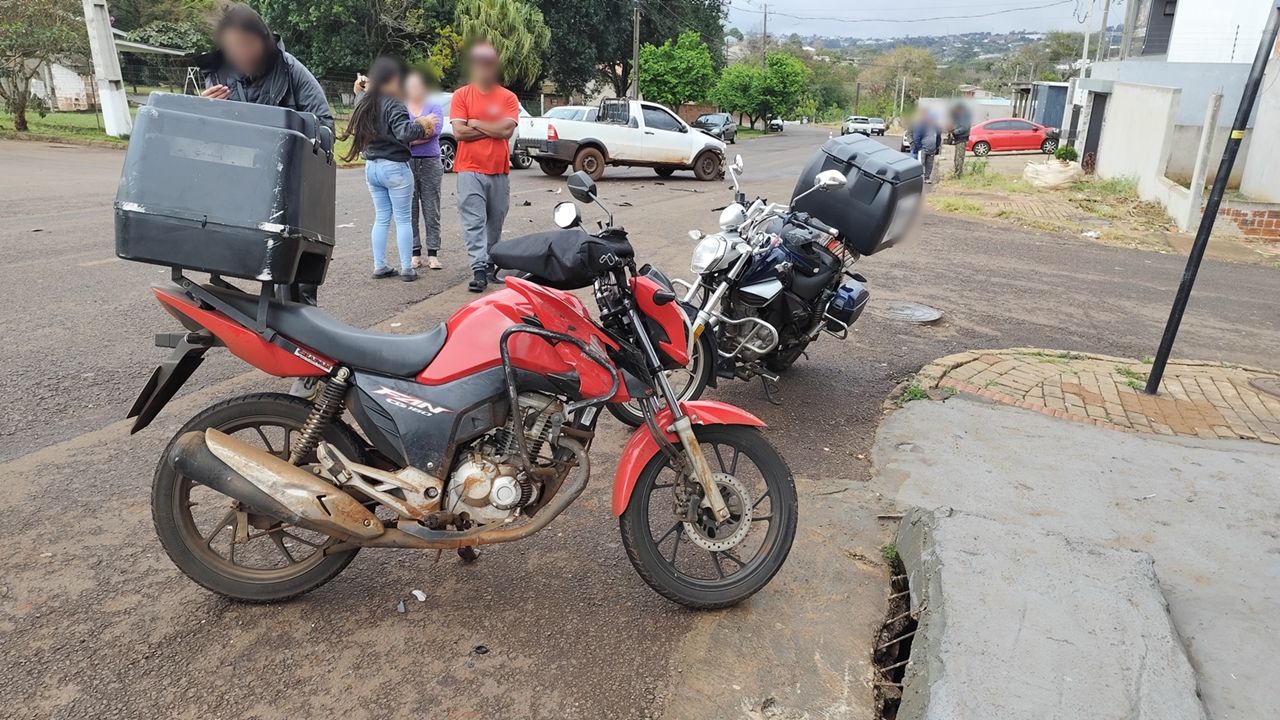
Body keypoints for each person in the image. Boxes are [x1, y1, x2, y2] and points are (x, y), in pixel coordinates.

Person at [195, 3, 333, 306]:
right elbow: (204, 139)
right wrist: (204, 111)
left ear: (264, 39)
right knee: (235, 262)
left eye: (247, 44)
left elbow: (326, 129)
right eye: (232, 46)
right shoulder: (215, 74)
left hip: (289, 186)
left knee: (296, 277)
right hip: (240, 186)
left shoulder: (292, 70)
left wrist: (288, 135)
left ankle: (298, 319)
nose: (241, 53)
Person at [340, 57, 438, 282]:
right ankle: (407, 268)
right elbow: (404, 132)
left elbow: (359, 93)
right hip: (395, 167)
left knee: (382, 217)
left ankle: (380, 265)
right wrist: (424, 124)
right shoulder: (393, 102)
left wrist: (359, 88)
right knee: (403, 219)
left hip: (372, 167)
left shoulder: (364, 101)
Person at [450, 42, 520, 293]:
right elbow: (459, 132)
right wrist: (493, 129)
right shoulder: (461, 95)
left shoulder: (508, 97)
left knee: (495, 221)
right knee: (474, 221)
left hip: (499, 170)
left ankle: (491, 263)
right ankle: (479, 269)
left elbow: (507, 130)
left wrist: (476, 122)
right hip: (469, 169)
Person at [404, 72, 446, 271]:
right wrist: (422, 124)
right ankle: (415, 253)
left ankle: (433, 254)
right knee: (410, 208)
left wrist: (412, 135)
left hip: (431, 162)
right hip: (407, 162)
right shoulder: (402, 108)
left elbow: (433, 132)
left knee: (431, 208)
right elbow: (401, 134)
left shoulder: (434, 107)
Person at [912, 109, 942, 184]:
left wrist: (936, 146)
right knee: (920, 164)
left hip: (932, 150)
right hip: (923, 149)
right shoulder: (922, 126)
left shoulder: (936, 128)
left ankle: (927, 177)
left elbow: (938, 138)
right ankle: (917, 179)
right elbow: (916, 137)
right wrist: (920, 147)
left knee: (929, 165)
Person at [950, 102, 972, 178]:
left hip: (961, 139)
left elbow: (964, 128)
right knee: (957, 158)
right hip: (959, 139)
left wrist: (954, 132)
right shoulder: (961, 116)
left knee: (959, 158)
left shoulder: (964, 116)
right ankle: (957, 174)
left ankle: (958, 175)